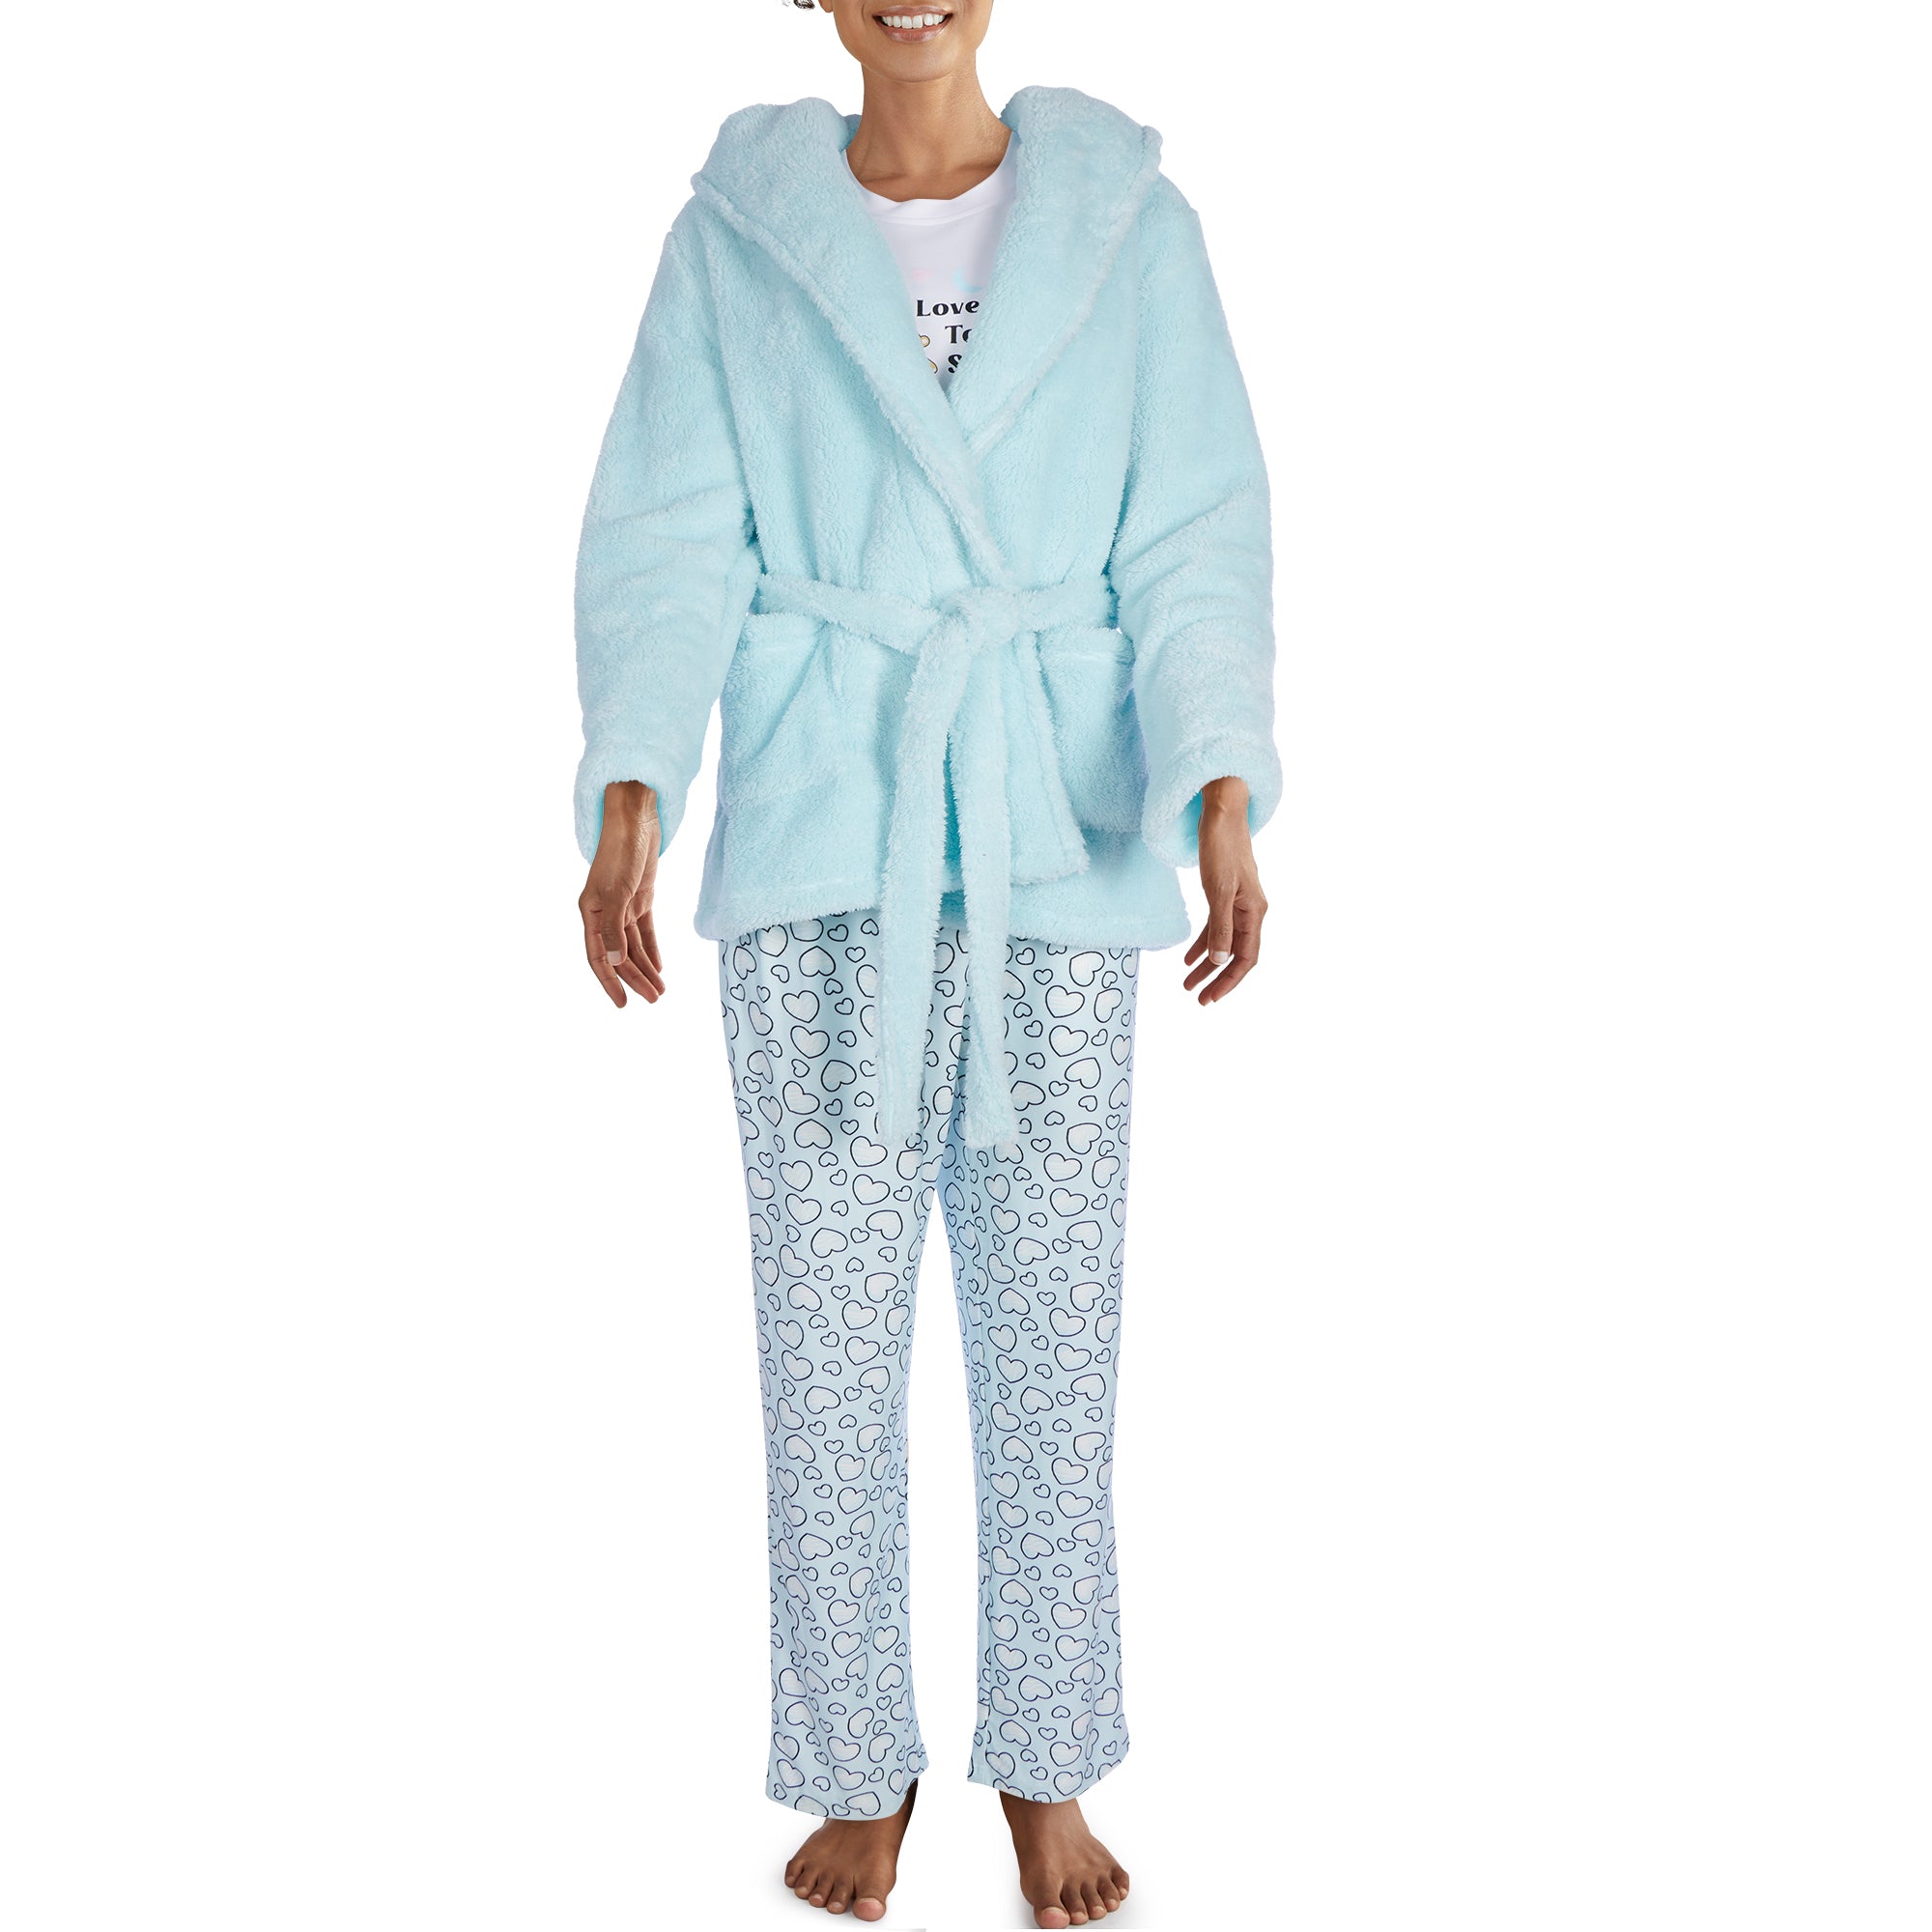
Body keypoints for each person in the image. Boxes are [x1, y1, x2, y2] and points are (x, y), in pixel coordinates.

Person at [571, 3, 1278, 1922]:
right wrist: (635, 782)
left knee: (1054, 1346)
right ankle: (854, 1757)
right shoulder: (738, 233)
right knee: (823, 1358)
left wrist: (1219, 780)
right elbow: (664, 531)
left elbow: (1198, 528)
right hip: (827, 836)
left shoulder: (1128, 224)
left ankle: (1045, 1755)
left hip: (1058, 834)